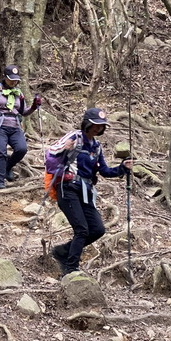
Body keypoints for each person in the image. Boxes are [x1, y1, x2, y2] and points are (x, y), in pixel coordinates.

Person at [48, 108, 133, 276]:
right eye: (95, 125)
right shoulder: (74, 137)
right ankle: (70, 269)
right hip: (68, 188)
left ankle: (63, 251)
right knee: (82, 230)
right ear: (87, 123)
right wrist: (64, 148)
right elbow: (51, 152)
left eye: (101, 126)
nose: (98, 128)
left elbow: (105, 171)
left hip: (86, 191)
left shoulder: (96, 147)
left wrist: (123, 168)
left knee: (97, 229)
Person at [0, 65, 42, 189]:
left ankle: (8, 167)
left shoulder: (18, 93)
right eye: (11, 79)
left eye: (16, 80)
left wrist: (34, 107)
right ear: (5, 77)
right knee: (1, 153)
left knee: (22, 149)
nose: (14, 82)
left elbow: (23, 112)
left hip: (15, 126)